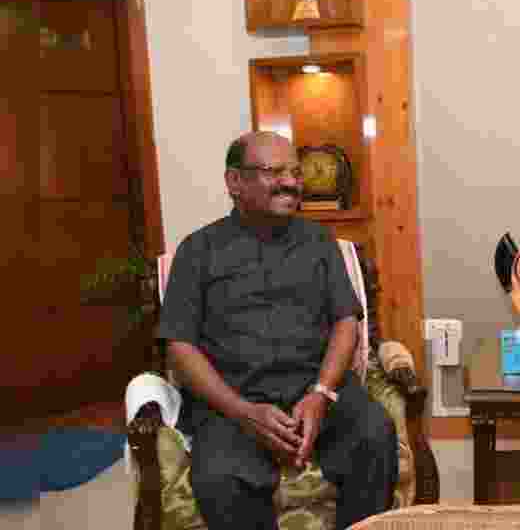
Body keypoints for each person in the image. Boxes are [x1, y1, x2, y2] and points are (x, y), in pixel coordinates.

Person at [156, 131, 398, 530]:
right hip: (233, 400)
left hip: (318, 390)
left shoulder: (319, 242)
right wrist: (242, 412)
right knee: (219, 479)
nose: (290, 182)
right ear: (235, 181)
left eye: (295, 173)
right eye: (274, 172)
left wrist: (321, 393)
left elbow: (346, 321)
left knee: (375, 436)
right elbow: (179, 345)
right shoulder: (198, 251)